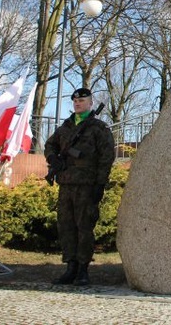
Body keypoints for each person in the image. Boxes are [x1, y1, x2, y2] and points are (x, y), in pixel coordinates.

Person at [44, 88, 115, 285]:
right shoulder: (65, 127)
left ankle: (83, 269)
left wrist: (100, 184)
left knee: (84, 227)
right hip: (66, 184)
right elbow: (50, 145)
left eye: (82, 100)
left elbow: (107, 157)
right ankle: (70, 266)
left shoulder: (98, 128)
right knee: (66, 226)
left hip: (86, 185)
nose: (78, 103)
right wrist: (52, 159)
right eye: (75, 101)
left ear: (90, 103)